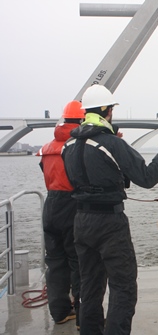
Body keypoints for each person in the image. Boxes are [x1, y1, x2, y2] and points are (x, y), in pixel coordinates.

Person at [61, 84, 158, 335]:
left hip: (81, 222)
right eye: (112, 108)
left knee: (90, 287)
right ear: (106, 110)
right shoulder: (112, 144)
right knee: (123, 287)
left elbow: (82, 178)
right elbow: (146, 177)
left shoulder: (69, 146)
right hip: (109, 224)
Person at [37, 100, 84, 328]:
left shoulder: (47, 148)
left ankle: (60, 312)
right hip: (71, 205)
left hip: (51, 205)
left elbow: (44, 170)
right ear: (82, 120)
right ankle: (83, 313)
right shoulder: (77, 147)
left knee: (55, 262)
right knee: (78, 261)